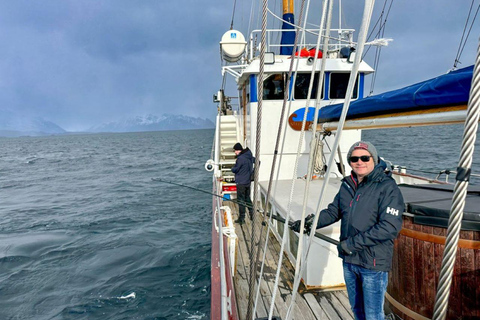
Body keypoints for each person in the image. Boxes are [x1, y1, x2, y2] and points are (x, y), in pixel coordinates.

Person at [291, 141, 404, 320]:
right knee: (357, 309)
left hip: (372, 264)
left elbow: (389, 227)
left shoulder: (387, 187)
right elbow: (332, 212)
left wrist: (352, 244)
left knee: (373, 315)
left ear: (374, 159)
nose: (359, 162)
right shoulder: (347, 185)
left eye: (364, 158)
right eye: (354, 158)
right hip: (350, 260)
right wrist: (308, 223)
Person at [231, 142, 254, 224]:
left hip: (241, 182)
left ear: (239, 150)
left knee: (241, 200)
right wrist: (253, 173)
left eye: (235, 151)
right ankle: (252, 215)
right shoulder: (249, 156)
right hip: (248, 181)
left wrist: (232, 169)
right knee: (247, 199)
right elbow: (258, 162)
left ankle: (242, 218)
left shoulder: (240, 159)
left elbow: (236, 169)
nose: (235, 152)